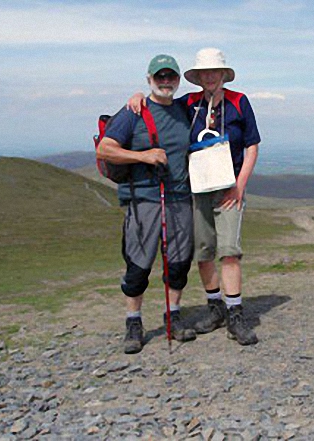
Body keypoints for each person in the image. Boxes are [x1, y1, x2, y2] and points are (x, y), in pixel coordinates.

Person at [128, 48, 261, 345]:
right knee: (203, 251)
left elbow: (252, 145)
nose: (210, 77)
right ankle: (215, 309)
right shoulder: (189, 103)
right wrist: (138, 95)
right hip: (198, 188)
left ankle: (235, 315)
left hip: (229, 188)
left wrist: (240, 185)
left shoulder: (239, 102)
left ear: (224, 75)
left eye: (215, 72)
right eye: (205, 73)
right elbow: (158, 103)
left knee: (228, 251)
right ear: (198, 77)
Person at [97, 54, 196, 354]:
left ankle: (174, 316)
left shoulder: (185, 109)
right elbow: (105, 149)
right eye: (159, 77)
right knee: (138, 264)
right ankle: (133, 321)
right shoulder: (133, 112)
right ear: (149, 79)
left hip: (180, 197)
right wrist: (144, 156)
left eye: (171, 77)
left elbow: (213, 94)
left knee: (179, 263)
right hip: (143, 201)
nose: (165, 82)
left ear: (178, 80)